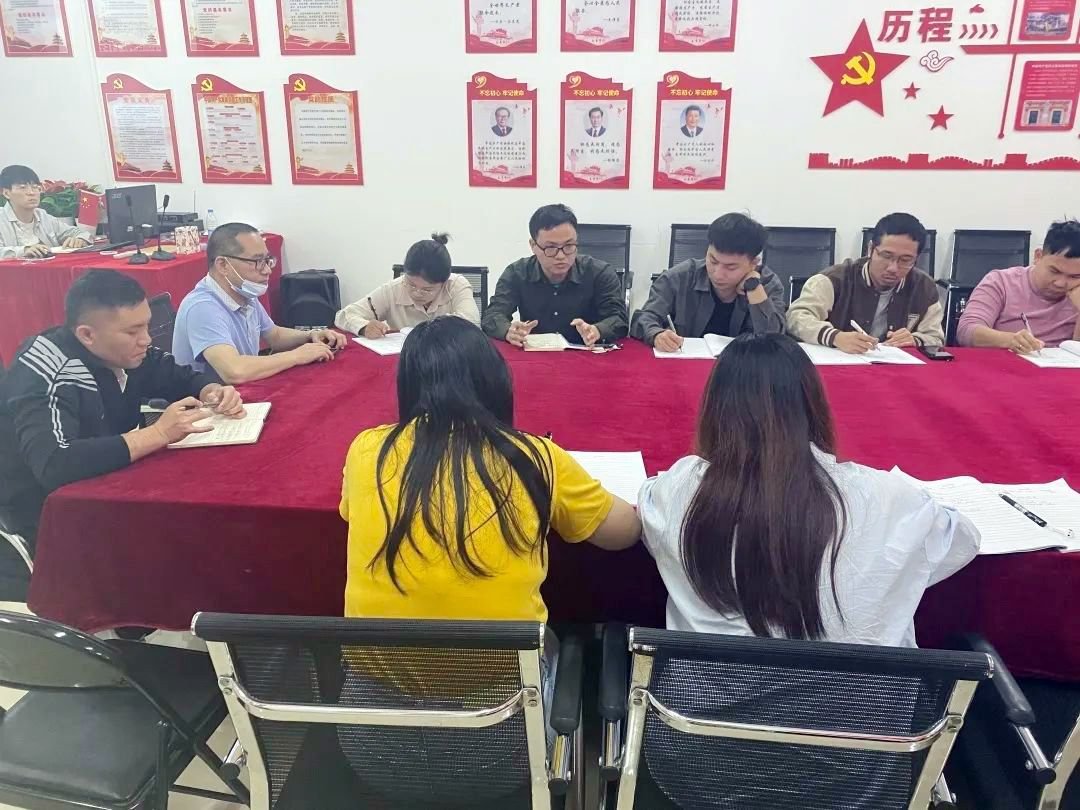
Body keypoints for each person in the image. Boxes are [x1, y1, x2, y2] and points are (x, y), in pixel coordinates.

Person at [638, 333, 979, 646]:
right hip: (859, 695)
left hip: (705, 694)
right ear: (813, 405)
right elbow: (963, 541)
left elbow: (651, 525)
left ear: (715, 410)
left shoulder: (677, 490)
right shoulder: (890, 501)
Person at [340, 316, 640, 622]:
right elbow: (625, 531)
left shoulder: (366, 448)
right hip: (511, 656)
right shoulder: (536, 457)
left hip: (371, 654)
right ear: (493, 380)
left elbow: (351, 512)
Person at [0, 269, 245, 598]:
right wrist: (157, 434)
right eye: (133, 331)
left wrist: (212, 390)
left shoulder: (123, 351)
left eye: (146, 325)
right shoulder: (46, 369)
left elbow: (174, 374)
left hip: (102, 485)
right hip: (46, 515)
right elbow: (54, 463)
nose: (146, 339)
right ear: (88, 335)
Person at [172, 222, 347, 383]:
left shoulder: (242, 292)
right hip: (208, 401)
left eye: (267, 260)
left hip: (242, 392)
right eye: (257, 262)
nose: (267, 270)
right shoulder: (202, 307)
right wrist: (296, 356)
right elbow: (234, 371)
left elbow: (274, 335)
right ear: (223, 265)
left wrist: (311, 335)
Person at [786, 213, 944, 353]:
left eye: (905, 260)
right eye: (886, 256)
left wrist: (914, 340)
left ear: (916, 259)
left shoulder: (924, 287)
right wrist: (835, 337)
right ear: (871, 249)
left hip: (895, 369)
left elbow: (936, 337)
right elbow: (796, 318)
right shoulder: (834, 280)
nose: (893, 268)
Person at [631, 213, 786, 351]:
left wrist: (753, 287)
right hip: (687, 366)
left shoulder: (768, 284)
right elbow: (643, 319)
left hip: (743, 370)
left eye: (731, 267)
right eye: (713, 261)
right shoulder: (679, 278)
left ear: (753, 263)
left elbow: (775, 341)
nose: (718, 274)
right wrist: (657, 334)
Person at [482, 204, 628, 347]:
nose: (561, 256)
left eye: (569, 246)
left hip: (586, 352)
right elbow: (493, 315)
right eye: (551, 247)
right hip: (536, 354)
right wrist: (509, 331)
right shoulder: (517, 273)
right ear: (533, 246)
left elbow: (619, 318)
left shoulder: (599, 273)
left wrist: (597, 330)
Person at [957, 219, 1080, 353]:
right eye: (1054, 271)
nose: (1060, 283)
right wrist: (1009, 340)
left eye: (1074, 276)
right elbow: (966, 331)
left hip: (1061, 365)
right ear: (1038, 256)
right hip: (1004, 362)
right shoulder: (1001, 282)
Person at [336, 233, 480, 337]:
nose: (417, 293)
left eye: (427, 289)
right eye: (411, 284)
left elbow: (472, 326)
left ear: (444, 282)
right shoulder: (394, 289)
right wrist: (364, 327)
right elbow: (344, 315)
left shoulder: (457, 286)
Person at [0, 165, 94, 260]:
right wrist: (24, 251)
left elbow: (79, 233)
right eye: (23, 187)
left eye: (35, 187)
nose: (31, 192)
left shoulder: (43, 217)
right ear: (6, 193)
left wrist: (80, 239)